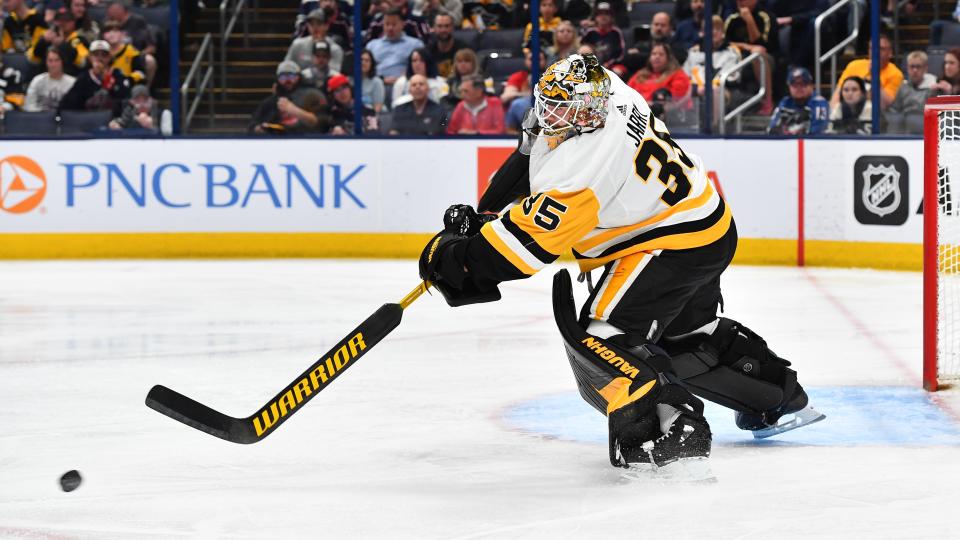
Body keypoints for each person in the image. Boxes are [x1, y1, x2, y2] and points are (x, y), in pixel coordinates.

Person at [417, 53, 820, 476]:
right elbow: (531, 155)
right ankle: (778, 398)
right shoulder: (610, 88)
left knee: (606, 337)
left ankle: (672, 431)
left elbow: (522, 251)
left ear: (587, 113)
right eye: (549, 102)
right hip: (707, 222)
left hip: (671, 243)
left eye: (562, 108)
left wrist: (455, 258)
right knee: (684, 337)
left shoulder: (581, 170)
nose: (550, 114)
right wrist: (486, 216)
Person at [723, 0, 778, 115]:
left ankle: (767, 101)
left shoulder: (766, 17)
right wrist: (746, 46)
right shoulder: (732, 19)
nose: (739, 1)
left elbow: (762, 46)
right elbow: (725, 43)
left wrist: (749, 21)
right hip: (738, 57)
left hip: (766, 59)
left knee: (757, 54)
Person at [248, 60, 327, 135]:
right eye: (283, 77)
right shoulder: (271, 101)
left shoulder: (313, 94)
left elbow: (323, 123)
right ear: (278, 79)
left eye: (291, 76)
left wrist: (293, 110)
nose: (287, 80)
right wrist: (259, 129)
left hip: (309, 139)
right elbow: (253, 124)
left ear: (299, 76)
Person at [830, 34, 902, 110]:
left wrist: (875, 76)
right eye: (872, 48)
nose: (876, 52)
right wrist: (835, 114)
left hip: (878, 116)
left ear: (890, 53)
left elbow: (886, 105)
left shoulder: (895, 74)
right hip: (851, 113)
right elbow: (838, 93)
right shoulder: (854, 66)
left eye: (881, 49)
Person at [59, 39, 131, 115]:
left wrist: (105, 78)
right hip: (89, 121)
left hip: (112, 121)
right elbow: (68, 103)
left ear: (110, 57)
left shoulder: (118, 75)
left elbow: (125, 101)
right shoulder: (84, 78)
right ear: (90, 57)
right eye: (96, 54)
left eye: (104, 55)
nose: (100, 58)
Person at [367, 8, 425, 85]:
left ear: (402, 24)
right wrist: (381, 79)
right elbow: (365, 70)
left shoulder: (415, 45)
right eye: (387, 24)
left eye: (394, 24)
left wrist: (403, 78)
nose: (390, 28)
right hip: (377, 84)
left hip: (405, 83)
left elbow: (421, 68)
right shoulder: (372, 45)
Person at [767, 67, 828, 135]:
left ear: (811, 86)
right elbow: (772, 129)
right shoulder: (786, 102)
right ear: (789, 87)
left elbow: (817, 131)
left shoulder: (818, 102)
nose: (799, 88)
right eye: (794, 85)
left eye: (803, 84)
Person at [887, 51, 937, 134]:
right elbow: (894, 112)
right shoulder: (903, 87)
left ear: (925, 68)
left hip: (926, 133)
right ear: (907, 68)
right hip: (904, 133)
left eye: (918, 67)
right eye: (912, 66)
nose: (915, 70)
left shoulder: (933, 89)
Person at [286, 9, 344, 73]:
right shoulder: (297, 44)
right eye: (311, 24)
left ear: (327, 26)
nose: (315, 27)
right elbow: (287, 67)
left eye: (319, 23)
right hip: (301, 81)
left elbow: (334, 73)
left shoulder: (335, 49)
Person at [580, 2, 624, 68]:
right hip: (592, 65)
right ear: (595, 17)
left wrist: (609, 64)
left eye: (607, 14)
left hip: (612, 65)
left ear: (612, 17)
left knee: (617, 71)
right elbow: (581, 50)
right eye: (600, 14)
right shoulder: (590, 32)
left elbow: (620, 54)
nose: (603, 16)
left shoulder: (616, 32)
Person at [427, 13, 466, 79]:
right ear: (434, 28)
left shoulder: (464, 50)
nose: (443, 30)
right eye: (439, 26)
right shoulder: (428, 51)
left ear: (453, 27)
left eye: (447, 26)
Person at [359, 49, 386, 113]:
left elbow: (377, 107)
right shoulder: (349, 80)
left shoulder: (377, 82)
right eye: (361, 60)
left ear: (371, 64)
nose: (363, 62)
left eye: (367, 60)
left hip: (373, 116)